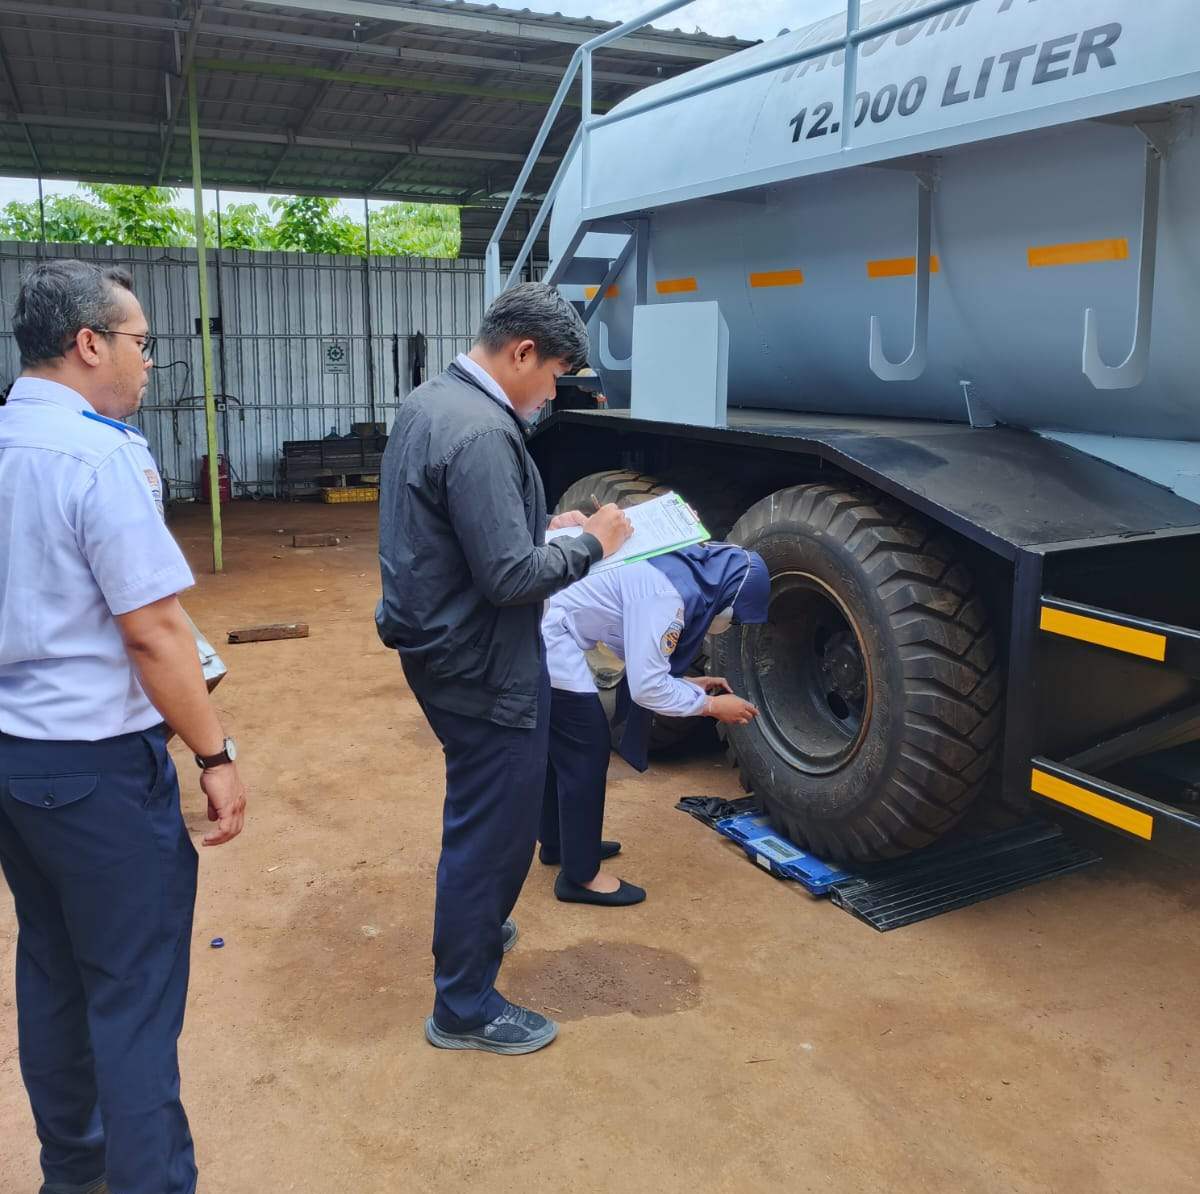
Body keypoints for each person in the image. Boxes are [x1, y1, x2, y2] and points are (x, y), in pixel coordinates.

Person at [0, 259, 248, 1194]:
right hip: (97, 771)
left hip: (14, 764)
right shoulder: (99, 457)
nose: (150, 360)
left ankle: (74, 1172)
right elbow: (153, 632)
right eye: (142, 342)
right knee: (133, 998)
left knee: (52, 969)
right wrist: (214, 753)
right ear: (89, 343)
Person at [376, 282, 633, 1056]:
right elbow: (511, 579)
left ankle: (476, 927)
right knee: (493, 833)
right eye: (553, 376)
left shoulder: (434, 402)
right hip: (482, 662)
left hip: (442, 647)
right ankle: (465, 1005)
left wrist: (538, 525)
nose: (552, 394)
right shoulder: (484, 433)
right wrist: (590, 546)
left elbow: (461, 530)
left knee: (480, 814)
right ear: (522, 352)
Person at [539, 543, 769, 904]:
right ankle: (580, 877)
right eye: (736, 616)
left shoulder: (671, 570)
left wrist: (687, 684)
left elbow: (636, 647)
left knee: (564, 744)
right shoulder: (667, 598)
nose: (731, 622)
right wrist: (711, 706)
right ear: (728, 596)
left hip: (548, 614)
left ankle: (559, 843)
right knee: (586, 749)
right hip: (552, 631)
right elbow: (647, 689)